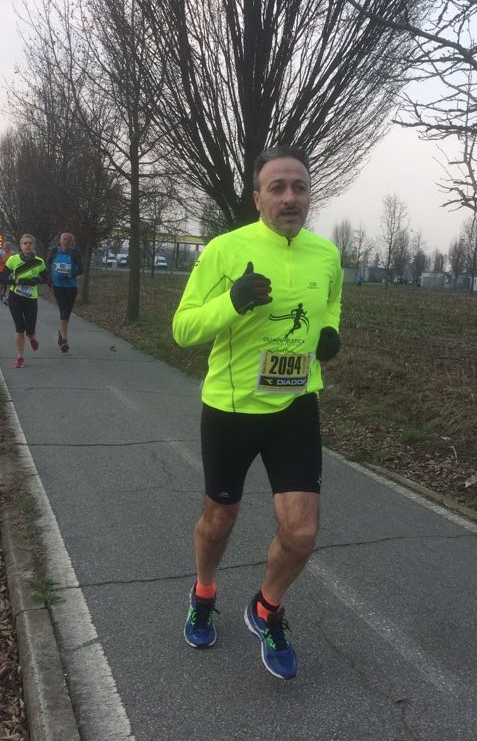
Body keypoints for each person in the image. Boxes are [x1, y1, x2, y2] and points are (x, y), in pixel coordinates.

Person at [171, 146, 343, 680]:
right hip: (232, 408)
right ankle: (204, 592)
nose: (290, 197)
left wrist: (330, 331)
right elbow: (183, 329)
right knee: (219, 521)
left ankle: (266, 609)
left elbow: (332, 302)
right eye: (278, 187)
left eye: (300, 187)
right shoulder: (225, 250)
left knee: (302, 532)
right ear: (257, 197)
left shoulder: (326, 255)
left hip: (295, 406)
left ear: (309, 194)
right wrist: (234, 302)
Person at [4, 235, 47, 369]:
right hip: (15, 297)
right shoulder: (13, 260)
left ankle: (32, 336)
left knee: (29, 329)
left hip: (31, 299)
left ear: (34, 246)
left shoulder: (39, 261)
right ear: (21, 245)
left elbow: (46, 278)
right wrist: (17, 281)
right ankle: (20, 358)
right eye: (25, 243)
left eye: (30, 243)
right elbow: (3, 278)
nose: (27, 245)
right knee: (19, 328)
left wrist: (37, 280)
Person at [44, 232, 84, 353]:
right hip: (58, 286)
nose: (66, 242)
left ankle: (61, 331)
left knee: (67, 313)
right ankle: (64, 341)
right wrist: (48, 277)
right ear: (60, 241)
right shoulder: (54, 251)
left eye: (69, 240)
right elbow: (48, 264)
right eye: (64, 239)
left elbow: (81, 269)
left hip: (71, 287)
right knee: (64, 310)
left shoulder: (75, 253)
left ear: (72, 242)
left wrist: (69, 275)